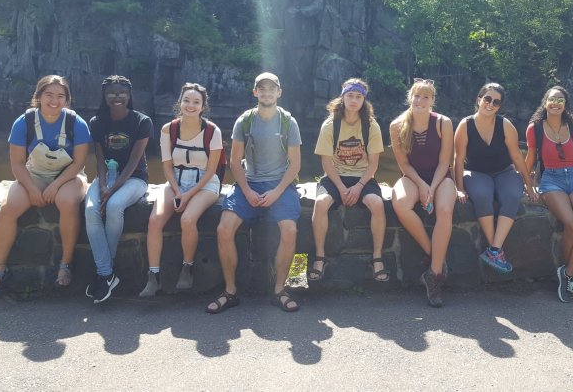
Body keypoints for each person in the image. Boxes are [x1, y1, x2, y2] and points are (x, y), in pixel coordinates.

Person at [0, 75, 91, 296]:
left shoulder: (77, 123)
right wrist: (32, 189)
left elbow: (79, 163)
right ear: (38, 97)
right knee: (8, 207)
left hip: (69, 177)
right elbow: (17, 164)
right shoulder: (24, 122)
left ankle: (65, 264)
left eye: (60, 96)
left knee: (67, 201)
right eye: (49, 95)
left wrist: (56, 185)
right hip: (35, 174)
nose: (54, 101)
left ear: (67, 100)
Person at [206, 72, 302, 313]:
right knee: (223, 229)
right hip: (249, 183)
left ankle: (280, 290)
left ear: (279, 92)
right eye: (262, 89)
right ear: (255, 92)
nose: (267, 93)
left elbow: (295, 164)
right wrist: (247, 191)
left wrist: (277, 192)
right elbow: (234, 162)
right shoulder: (245, 121)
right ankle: (230, 292)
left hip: (280, 184)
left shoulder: (288, 122)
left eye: (271, 89)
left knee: (290, 230)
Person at [140, 83, 223, 297]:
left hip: (205, 183)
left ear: (203, 106)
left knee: (187, 219)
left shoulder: (212, 131)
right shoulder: (168, 129)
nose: (190, 105)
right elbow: (167, 166)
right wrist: (178, 191)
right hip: (176, 181)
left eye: (196, 102)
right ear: (180, 103)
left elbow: (211, 170)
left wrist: (188, 195)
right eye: (186, 100)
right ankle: (153, 275)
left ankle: (188, 268)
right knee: (154, 220)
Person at [454, 83, 539, 274]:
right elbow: (458, 159)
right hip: (476, 172)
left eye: (496, 102)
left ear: (500, 106)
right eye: (487, 99)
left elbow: (517, 156)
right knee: (482, 195)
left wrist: (529, 185)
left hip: (504, 172)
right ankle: (496, 252)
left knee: (512, 196)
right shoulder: (465, 125)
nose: (490, 104)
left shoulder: (505, 125)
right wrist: (459, 188)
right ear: (479, 99)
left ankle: (494, 249)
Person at [524, 86, 573, 302]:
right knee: (571, 224)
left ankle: (567, 273)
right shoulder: (535, 128)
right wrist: (527, 184)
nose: (556, 103)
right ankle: (567, 272)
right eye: (552, 99)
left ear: (565, 105)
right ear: (545, 102)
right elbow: (530, 158)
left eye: (560, 100)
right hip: (551, 179)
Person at [310, 78, 388, 283]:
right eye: (350, 96)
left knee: (378, 204)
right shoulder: (330, 125)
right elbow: (326, 163)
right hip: (335, 177)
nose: (354, 100)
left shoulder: (371, 126)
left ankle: (377, 258)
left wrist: (358, 187)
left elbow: (373, 164)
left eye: (359, 97)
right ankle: (320, 257)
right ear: (342, 98)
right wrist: (342, 188)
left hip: (363, 177)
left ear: (364, 100)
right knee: (320, 203)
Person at [85, 75, 152, 304]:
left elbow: (134, 161)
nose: (117, 96)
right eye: (111, 93)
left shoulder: (142, 121)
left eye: (122, 92)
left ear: (129, 95)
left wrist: (112, 189)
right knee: (91, 209)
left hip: (134, 179)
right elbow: (100, 158)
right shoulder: (97, 122)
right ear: (104, 96)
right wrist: (103, 185)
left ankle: (103, 273)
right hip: (107, 176)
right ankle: (107, 274)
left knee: (113, 206)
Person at [390, 78, 456, 307]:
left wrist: (432, 187)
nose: (420, 100)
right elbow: (403, 164)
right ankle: (434, 254)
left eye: (425, 97)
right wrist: (420, 184)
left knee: (445, 210)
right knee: (400, 203)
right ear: (410, 97)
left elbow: (445, 162)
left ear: (432, 100)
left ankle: (434, 274)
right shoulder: (397, 125)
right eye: (416, 96)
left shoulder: (443, 123)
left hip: (440, 176)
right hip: (412, 176)